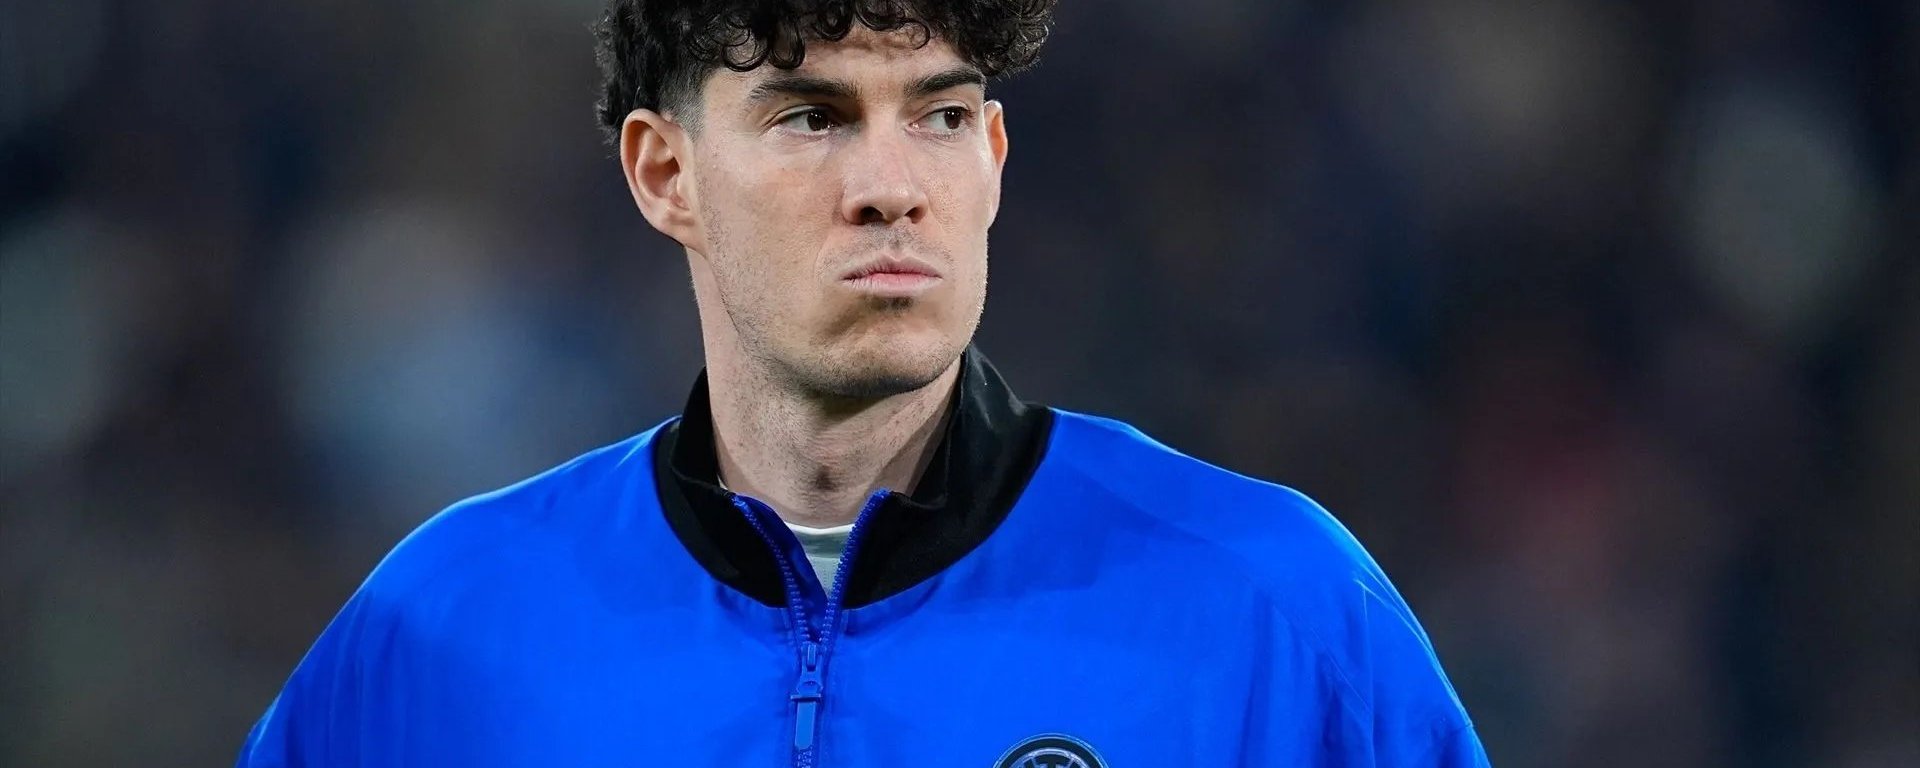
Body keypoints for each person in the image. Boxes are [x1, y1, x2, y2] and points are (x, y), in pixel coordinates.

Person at [238, 1, 1488, 765]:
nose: (893, 188)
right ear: (666, 175)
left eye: (939, 117)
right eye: (812, 116)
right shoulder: (439, 631)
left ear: (993, 159)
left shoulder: (1273, 605)